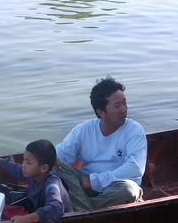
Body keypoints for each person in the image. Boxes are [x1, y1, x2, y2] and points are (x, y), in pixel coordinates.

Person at [54, 77, 147, 211]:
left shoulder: (134, 130)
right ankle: (89, 209)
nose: (123, 109)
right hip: (84, 186)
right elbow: (61, 155)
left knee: (129, 189)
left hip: (116, 189)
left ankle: (83, 209)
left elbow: (135, 169)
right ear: (100, 112)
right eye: (117, 105)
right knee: (55, 164)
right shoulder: (84, 130)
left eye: (124, 103)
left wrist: (94, 181)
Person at [0, 139, 72, 223]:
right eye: (23, 160)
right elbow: (15, 169)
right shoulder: (33, 173)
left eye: (28, 163)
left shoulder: (52, 184)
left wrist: (26, 219)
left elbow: (56, 208)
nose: (23, 165)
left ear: (44, 168)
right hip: (36, 212)